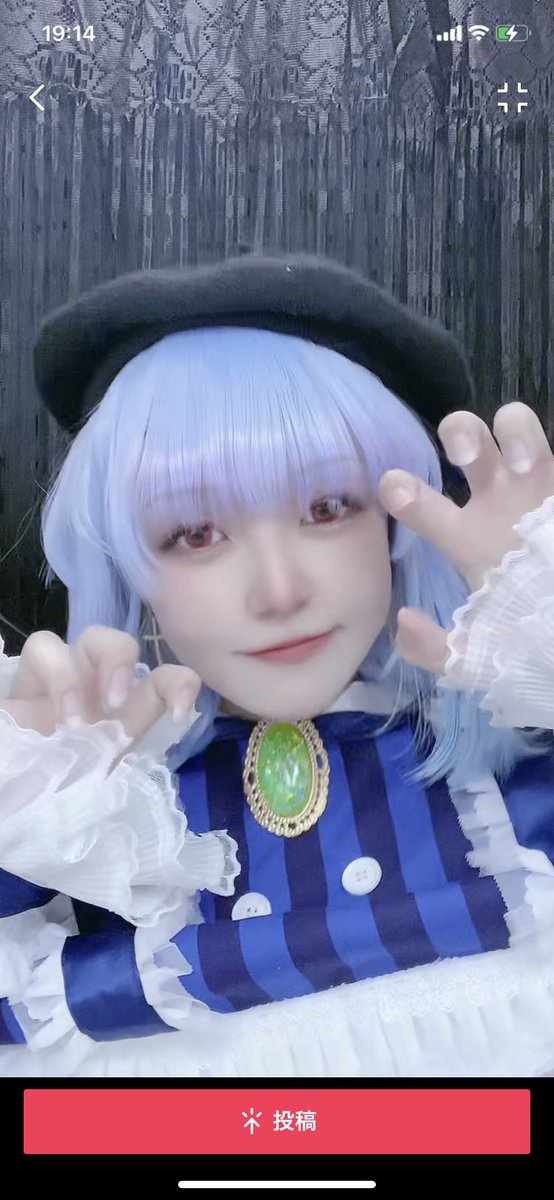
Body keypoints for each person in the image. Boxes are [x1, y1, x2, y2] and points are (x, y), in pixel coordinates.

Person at [1, 252, 554, 1078]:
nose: (279, 590)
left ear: (396, 523)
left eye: (327, 508)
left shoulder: (515, 787)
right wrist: (28, 812)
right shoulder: (107, 829)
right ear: (128, 571)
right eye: (195, 533)